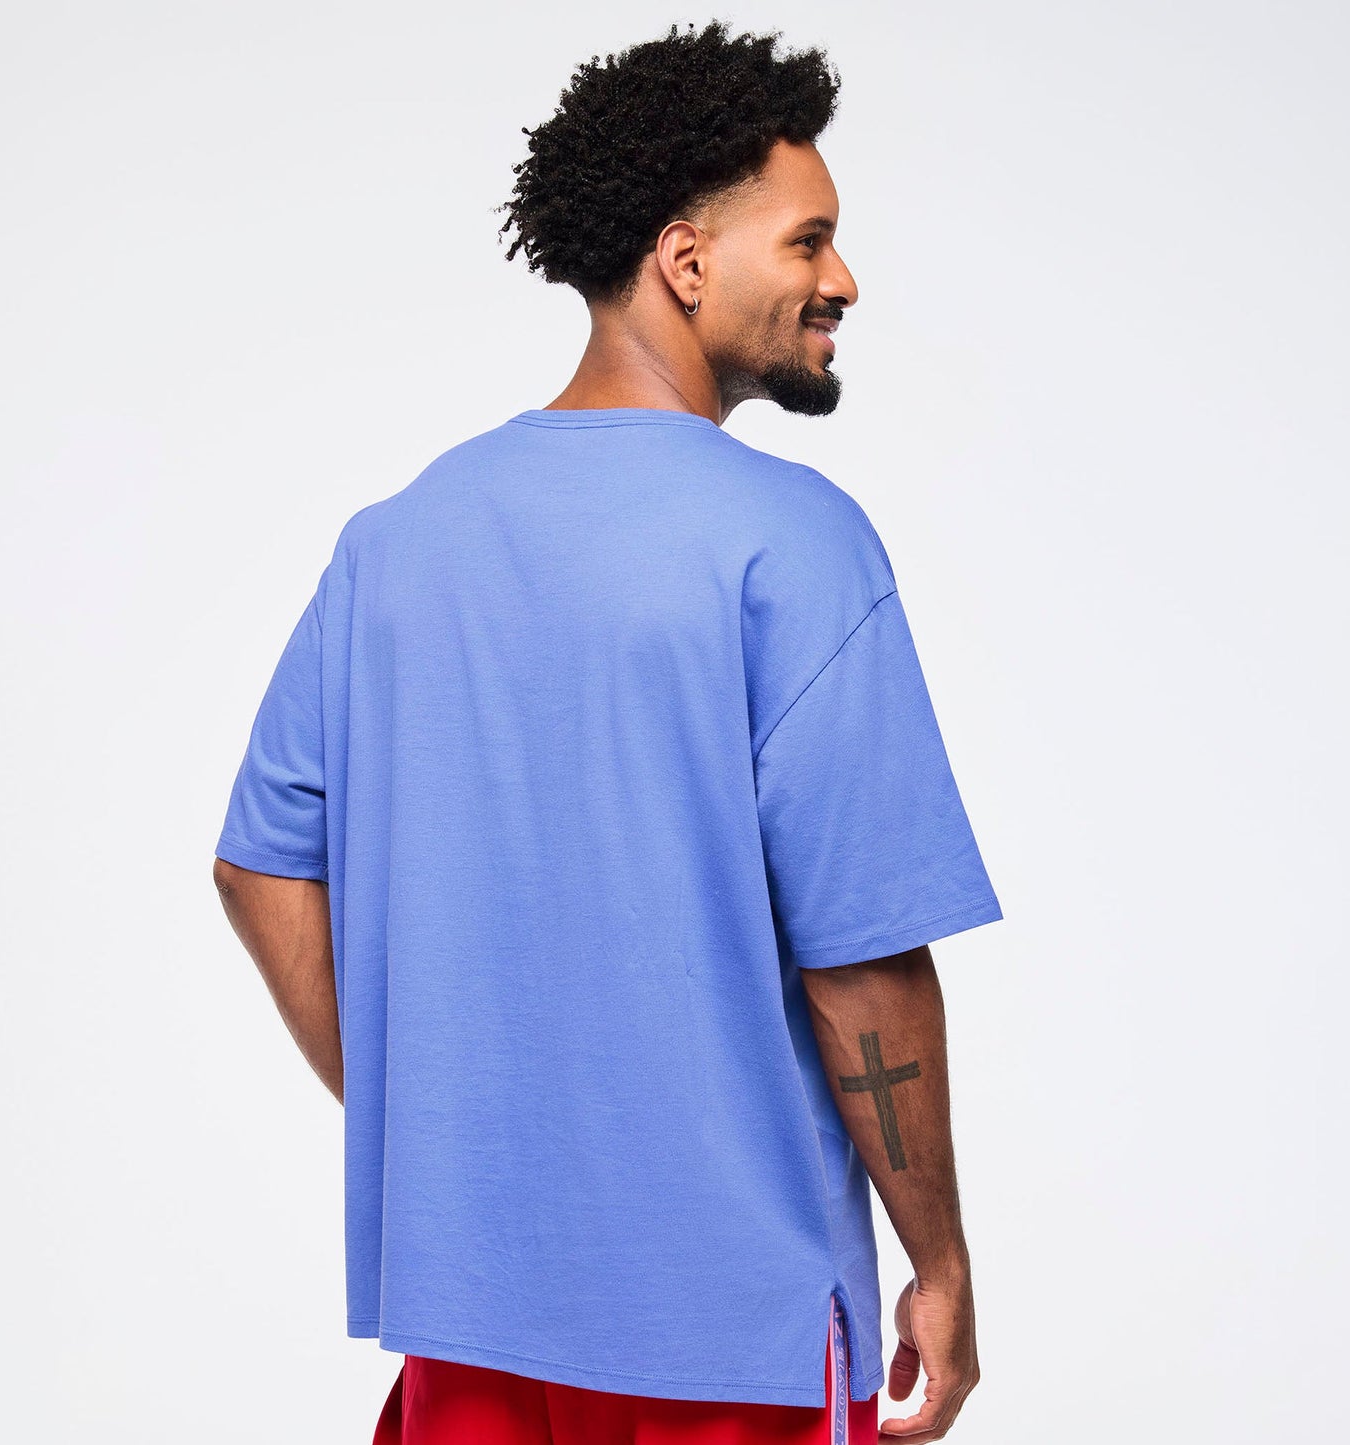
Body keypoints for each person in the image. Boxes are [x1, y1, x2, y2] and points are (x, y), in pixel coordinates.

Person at [211, 18, 1002, 1445]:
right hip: (736, 1334)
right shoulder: (793, 542)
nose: (842, 280)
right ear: (686, 261)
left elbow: (260, 864)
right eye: (809, 240)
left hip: (471, 1316)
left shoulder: (399, 539)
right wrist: (937, 1262)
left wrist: (437, 1127)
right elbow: (863, 960)